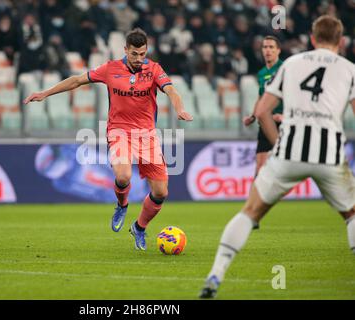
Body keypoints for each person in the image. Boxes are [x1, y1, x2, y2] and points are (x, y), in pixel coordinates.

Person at [200, 15, 355, 299]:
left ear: (311, 39)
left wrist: (280, 141)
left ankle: (215, 275)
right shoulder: (349, 69)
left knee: (249, 211)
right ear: (341, 41)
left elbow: (261, 112)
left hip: (290, 149)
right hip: (329, 152)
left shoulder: (293, 64)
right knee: (352, 215)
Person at [24, 28, 193, 250]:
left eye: (142, 54)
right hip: (119, 131)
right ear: (125, 50)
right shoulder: (110, 69)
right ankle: (122, 205)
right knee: (123, 176)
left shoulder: (153, 69)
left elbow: (171, 91)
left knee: (161, 192)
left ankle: (139, 228)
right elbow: (76, 81)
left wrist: (179, 109)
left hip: (146, 135)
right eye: (134, 54)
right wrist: (45, 93)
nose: (139, 59)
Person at [243, 35, 283, 175]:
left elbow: (293, 93)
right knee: (260, 166)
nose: (267, 50)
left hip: (283, 123)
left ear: (278, 50)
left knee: (286, 167)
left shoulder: (284, 68)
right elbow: (261, 97)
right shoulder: (262, 73)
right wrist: (253, 116)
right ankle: (258, 197)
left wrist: (285, 115)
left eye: (271, 47)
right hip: (266, 123)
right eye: (265, 47)